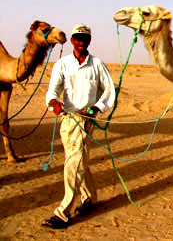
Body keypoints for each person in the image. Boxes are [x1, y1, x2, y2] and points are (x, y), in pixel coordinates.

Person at [41, 24, 115, 229]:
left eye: (84, 38)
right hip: (67, 120)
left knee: (74, 163)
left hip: (86, 121)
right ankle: (89, 197)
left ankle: (62, 212)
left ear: (89, 41)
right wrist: (54, 103)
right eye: (77, 38)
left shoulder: (97, 64)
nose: (81, 41)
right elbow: (52, 91)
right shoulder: (62, 64)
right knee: (77, 160)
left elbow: (109, 91)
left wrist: (96, 108)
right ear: (72, 40)